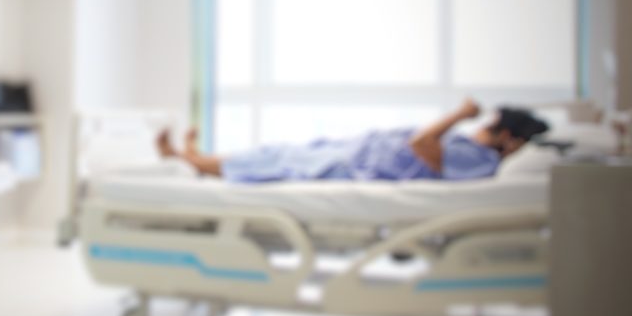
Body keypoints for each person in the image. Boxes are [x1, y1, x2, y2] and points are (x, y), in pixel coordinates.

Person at [156, 99, 549, 183]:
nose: (479, 128)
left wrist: (459, 115)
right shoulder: (474, 149)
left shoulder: (482, 161)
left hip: (353, 170)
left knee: (275, 161)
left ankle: (187, 158)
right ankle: (198, 159)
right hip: (354, 152)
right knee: (273, 151)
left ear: (507, 139)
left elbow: (422, 146)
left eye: (487, 125)